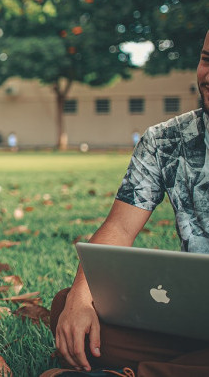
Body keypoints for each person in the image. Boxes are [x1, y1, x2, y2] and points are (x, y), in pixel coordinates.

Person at [46, 30, 209, 377]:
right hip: (197, 316)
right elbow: (119, 228)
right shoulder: (166, 140)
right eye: (207, 60)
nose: (208, 76)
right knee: (69, 310)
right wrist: (80, 301)